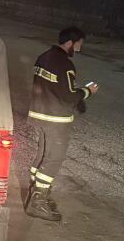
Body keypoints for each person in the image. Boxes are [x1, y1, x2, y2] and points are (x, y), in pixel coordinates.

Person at [26, 25, 100, 222]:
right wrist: (87, 92)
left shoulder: (43, 57)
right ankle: (38, 202)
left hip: (38, 114)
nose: (78, 49)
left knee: (41, 156)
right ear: (70, 43)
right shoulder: (65, 64)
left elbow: (50, 86)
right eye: (78, 45)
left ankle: (34, 192)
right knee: (53, 159)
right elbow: (68, 95)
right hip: (56, 119)